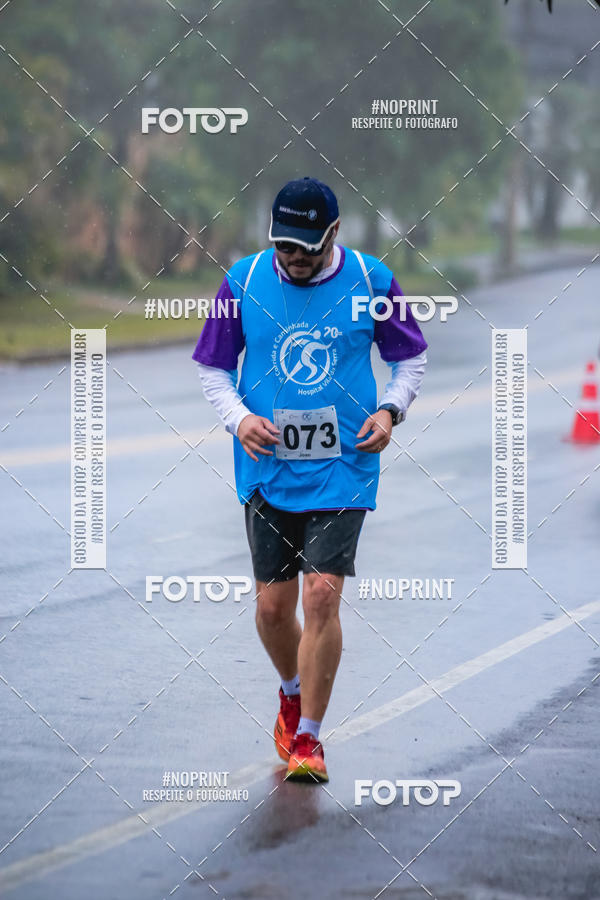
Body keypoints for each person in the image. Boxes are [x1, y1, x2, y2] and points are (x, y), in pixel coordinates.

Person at [193, 176, 427, 782]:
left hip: (346, 462)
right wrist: (240, 420)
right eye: (284, 247)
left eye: (306, 248)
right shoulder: (243, 282)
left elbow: (410, 356)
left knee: (321, 595)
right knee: (273, 609)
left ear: (334, 234)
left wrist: (391, 410)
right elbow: (214, 369)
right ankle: (290, 692)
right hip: (268, 466)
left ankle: (310, 740)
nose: (293, 259)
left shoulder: (372, 281)